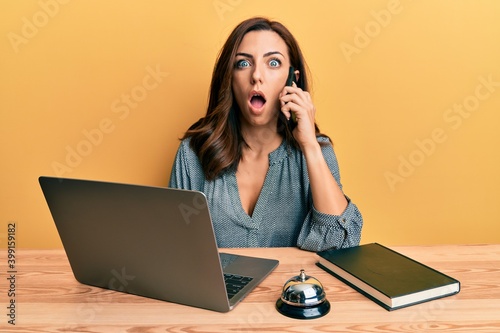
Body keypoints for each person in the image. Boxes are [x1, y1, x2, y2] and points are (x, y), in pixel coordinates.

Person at [169, 17, 363, 252]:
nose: (256, 76)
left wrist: (309, 144)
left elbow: (341, 246)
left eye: (273, 63)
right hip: (219, 290)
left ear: (293, 80)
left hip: (290, 288)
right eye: (243, 64)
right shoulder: (193, 153)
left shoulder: (316, 151)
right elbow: (177, 249)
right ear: (229, 78)